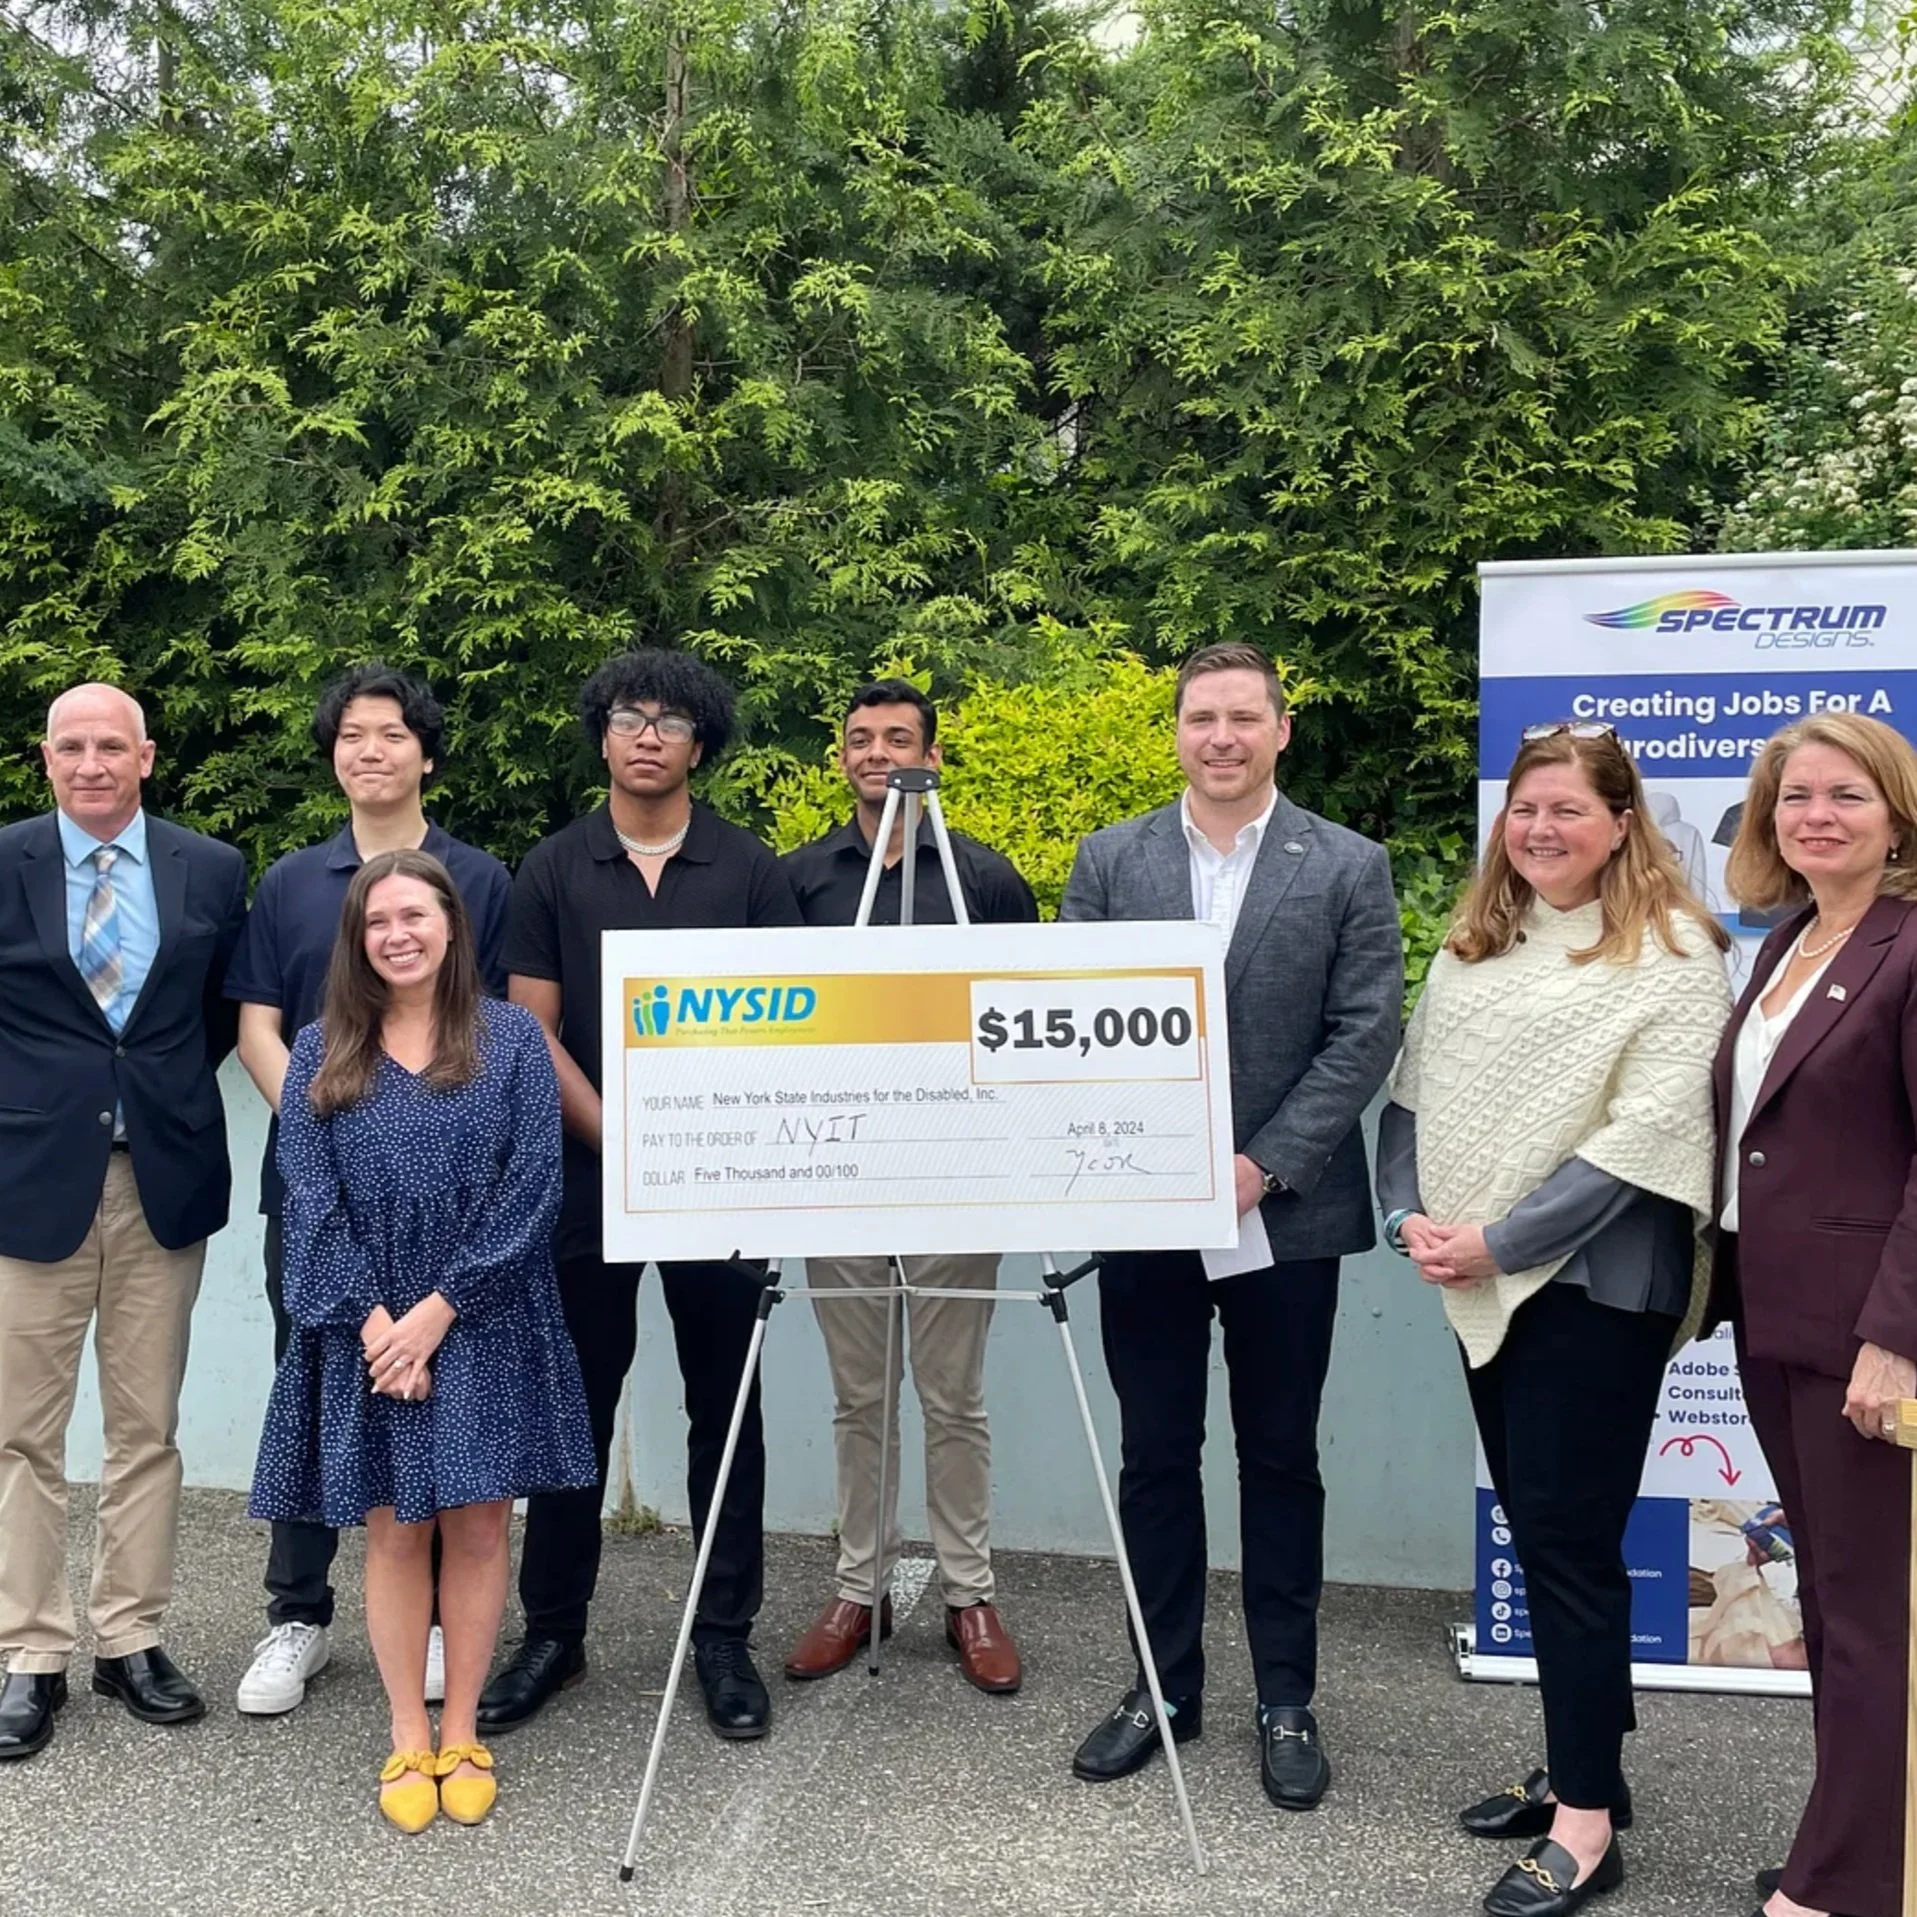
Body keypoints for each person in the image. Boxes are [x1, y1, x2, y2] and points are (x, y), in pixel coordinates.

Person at [1376, 722, 1730, 1917]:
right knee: (1542, 1534)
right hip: (1474, 1273)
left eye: (1569, 810)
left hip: (1596, 1290)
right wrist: (1408, 1218)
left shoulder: (1676, 951)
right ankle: (1589, 1773)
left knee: (1569, 1549)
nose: (1540, 829)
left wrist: (1502, 1241)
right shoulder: (1478, 945)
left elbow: (1645, 1138)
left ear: (1623, 823)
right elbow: (1413, 1100)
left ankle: (1586, 1830)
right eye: (1525, 809)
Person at [1057, 642, 1402, 1809]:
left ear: (1281, 729)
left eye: (1244, 717)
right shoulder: (1112, 860)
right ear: (1176, 731)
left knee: (1280, 1457)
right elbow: (1070, 1020)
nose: (1222, 737)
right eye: (1202, 716)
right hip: (1144, 1215)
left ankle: (1285, 1698)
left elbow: (1365, 1030)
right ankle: (1161, 1688)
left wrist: (1263, 1164)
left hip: (1284, 1218)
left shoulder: (1348, 864)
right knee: (1155, 1456)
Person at [481, 647, 803, 1742]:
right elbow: (529, 1027)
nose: (648, 734)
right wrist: (624, 1141)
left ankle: (723, 1636)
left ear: (699, 744)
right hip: (588, 1181)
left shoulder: (751, 869)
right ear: (604, 736)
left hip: (723, 1187)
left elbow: (790, 1026)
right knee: (572, 1407)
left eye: (670, 720)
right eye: (629, 716)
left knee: (727, 1410)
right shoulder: (553, 866)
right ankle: (553, 1634)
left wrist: (696, 1151)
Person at [249, 850, 594, 1833]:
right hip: (369, 1327)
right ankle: (408, 1733)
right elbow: (310, 1202)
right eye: (377, 921)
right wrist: (379, 1329)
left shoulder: (512, 1037)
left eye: (415, 915)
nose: (397, 935)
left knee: (480, 1526)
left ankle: (463, 1729)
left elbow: (533, 1188)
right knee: (396, 1528)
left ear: (451, 924)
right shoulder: (321, 1048)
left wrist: (438, 1312)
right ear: (356, 940)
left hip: (484, 1313)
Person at [227, 664, 511, 1716]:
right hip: (319, 1202)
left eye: (391, 733)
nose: (370, 750)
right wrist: (328, 1127)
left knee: (442, 1396)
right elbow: (257, 1025)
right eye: (352, 735)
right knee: (314, 1387)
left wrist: (412, 1129)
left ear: (425, 753)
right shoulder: (291, 881)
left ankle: (433, 1619)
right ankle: (297, 1615)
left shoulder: (479, 880)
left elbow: (499, 1030)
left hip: (451, 1205)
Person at [0, 684, 246, 1761]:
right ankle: (31, 1651)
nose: (91, 762)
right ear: (45, 757)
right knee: (21, 1433)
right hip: (28, 1182)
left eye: (112, 745)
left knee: (147, 1428)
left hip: (160, 1179)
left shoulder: (212, 868)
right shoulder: (5, 861)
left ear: (146, 756)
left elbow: (218, 1014)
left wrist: (150, 1095)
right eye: (72, 746)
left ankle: (131, 1639)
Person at [781, 679, 1038, 1693]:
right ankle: (861, 1587)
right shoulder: (799, 881)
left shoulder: (985, 879)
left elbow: (1026, 1021)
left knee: (953, 1396)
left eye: (898, 737)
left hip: (955, 1175)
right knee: (859, 1397)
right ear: (842, 757)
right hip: (838, 1174)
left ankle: (969, 1593)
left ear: (932, 756)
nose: (877, 752)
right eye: (860, 738)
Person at [1709, 712, 1917, 1917]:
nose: (1816, 816)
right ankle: (1864, 1856)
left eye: (1846, 795)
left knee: (1870, 1611)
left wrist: (1898, 1338)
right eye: (1795, 797)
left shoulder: (1909, 943)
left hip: (1864, 1335)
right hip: (1774, 1314)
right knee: (1833, 1603)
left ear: (1897, 815)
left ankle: (1841, 1883)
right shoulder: (1790, 939)